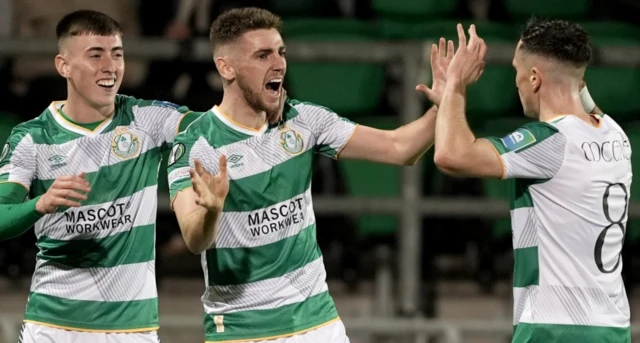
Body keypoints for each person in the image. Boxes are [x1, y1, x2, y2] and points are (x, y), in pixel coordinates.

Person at [167, 7, 452, 343]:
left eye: (281, 52)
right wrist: (212, 211)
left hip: (317, 324)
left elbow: (400, 148)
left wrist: (448, 100)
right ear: (225, 67)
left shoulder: (305, 120)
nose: (278, 64)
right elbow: (193, 237)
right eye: (262, 55)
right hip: (243, 329)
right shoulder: (196, 144)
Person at [0, 10, 200, 343]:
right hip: (53, 328)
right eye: (96, 55)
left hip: (131, 331)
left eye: (117, 54)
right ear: (63, 66)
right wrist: (39, 204)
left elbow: (214, 126)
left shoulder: (146, 119)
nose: (110, 66)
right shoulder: (32, 137)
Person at [428, 19, 631, 342]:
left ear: (534, 78)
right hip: (612, 326)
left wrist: (454, 83)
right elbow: (579, 91)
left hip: (553, 328)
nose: (517, 81)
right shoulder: (615, 134)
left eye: (517, 70)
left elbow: (450, 155)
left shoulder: (548, 141)